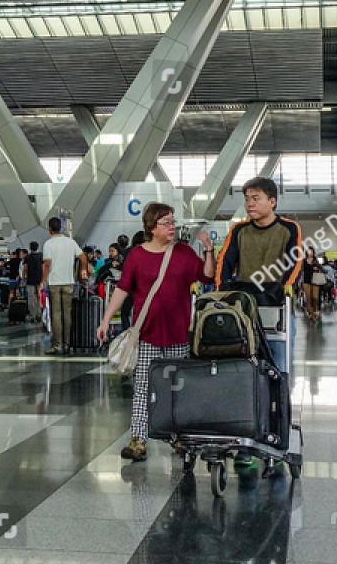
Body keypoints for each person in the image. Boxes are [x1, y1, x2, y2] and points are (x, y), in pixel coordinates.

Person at [95, 202, 215, 461]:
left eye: (173, 222)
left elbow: (206, 277)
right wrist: (106, 320)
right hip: (147, 332)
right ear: (151, 227)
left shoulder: (183, 252)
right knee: (143, 387)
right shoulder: (137, 256)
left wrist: (208, 250)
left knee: (177, 388)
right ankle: (138, 439)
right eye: (166, 223)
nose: (172, 227)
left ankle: (178, 437)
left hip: (178, 333)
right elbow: (123, 290)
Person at [215, 176, 303, 372]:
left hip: (277, 308)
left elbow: (296, 263)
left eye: (256, 198)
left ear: (272, 202)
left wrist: (285, 289)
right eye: (247, 199)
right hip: (245, 308)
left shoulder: (289, 228)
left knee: (279, 366)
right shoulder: (239, 230)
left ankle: (279, 400)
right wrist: (221, 290)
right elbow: (225, 262)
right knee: (245, 367)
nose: (249, 204)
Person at [41, 217, 87, 356]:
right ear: (61, 228)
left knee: (56, 314)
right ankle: (67, 344)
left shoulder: (48, 244)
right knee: (67, 313)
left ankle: (57, 345)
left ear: (50, 228)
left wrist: (42, 281)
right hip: (68, 282)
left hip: (54, 282)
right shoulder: (70, 242)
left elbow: (47, 264)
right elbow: (83, 257)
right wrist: (83, 270)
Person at [24, 241, 45, 324]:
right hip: (39, 280)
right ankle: (39, 314)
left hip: (30, 280)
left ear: (30, 248)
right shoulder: (40, 256)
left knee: (31, 298)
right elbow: (43, 268)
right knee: (39, 297)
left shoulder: (27, 257)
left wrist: (23, 279)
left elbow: (25, 269)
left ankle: (33, 316)